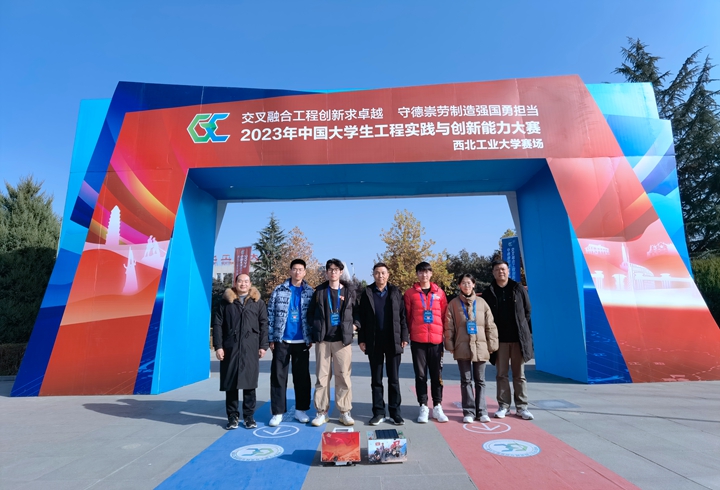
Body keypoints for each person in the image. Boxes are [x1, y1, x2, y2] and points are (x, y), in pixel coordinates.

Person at [212, 274, 269, 430]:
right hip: (230, 347)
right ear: (235, 283)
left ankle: (249, 417)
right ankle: (232, 417)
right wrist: (218, 346)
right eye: (240, 281)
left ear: (250, 284)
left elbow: (264, 324)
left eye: (246, 281)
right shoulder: (226, 302)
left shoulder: (258, 302)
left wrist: (263, 346)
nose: (243, 284)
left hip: (250, 347)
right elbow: (217, 324)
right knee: (230, 384)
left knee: (249, 384)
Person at [356, 263, 409, 425]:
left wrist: (404, 336)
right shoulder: (367, 293)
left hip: (393, 340)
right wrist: (361, 339)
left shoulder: (395, 292)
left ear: (388, 274)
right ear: (373, 275)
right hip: (374, 341)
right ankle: (378, 412)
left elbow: (403, 316)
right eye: (377, 273)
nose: (380, 276)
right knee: (376, 379)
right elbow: (361, 317)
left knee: (394, 379)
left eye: (383, 273)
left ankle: (395, 412)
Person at [482, 260, 535, 420]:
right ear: (493, 272)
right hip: (500, 341)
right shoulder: (489, 292)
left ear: (508, 271)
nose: (501, 272)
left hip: (518, 339)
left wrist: (524, 331)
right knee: (501, 375)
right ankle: (503, 406)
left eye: (503, 269)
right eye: (497, 269)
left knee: (519, 375)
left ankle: (521, 407)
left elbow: (527, 311)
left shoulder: (518, 289)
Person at [307, 258, 357, 426]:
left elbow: (357, 312)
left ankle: (344, 411)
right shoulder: (320, 291)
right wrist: (315, 328)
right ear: (326, 272)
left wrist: (355, 326)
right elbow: (310, 313)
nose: (333, 272)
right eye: (330, 269)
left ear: (341, 272)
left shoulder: (349, 291)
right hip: (323, 340)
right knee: (322, 377)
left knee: (343, 376)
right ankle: (322, 412)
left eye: (336, 270)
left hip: (342, 340)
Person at [444, 274, 499, 423]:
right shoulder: (453, 304)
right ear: (459, 286)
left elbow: (490, 325)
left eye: (469, 283)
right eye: (463, 283)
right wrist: (450, 344)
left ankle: (482, 411)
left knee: (480, 380)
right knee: (466, 380)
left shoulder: (482, 303)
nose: (466, 285)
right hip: (462, 346)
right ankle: (468, 411)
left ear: (474, 284)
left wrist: (492, 344)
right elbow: (449, 326)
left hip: (480, 346)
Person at [267, 259, 315, 427]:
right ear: (290, 271)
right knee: (278, 377)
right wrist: (271, 337)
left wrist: (311, 337)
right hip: (282, 340)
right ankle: (278, 412)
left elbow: (313, 315)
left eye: (300, 269)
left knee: (302, 377)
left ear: (305, 272)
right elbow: (270, 314)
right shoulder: (279, 290)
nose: (297, 272)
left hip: (302, 341)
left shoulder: (310, 292)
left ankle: (301, 410)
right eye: (294, 269)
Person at [404, 261, 449, 423]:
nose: (424, 275)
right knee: (421, 375)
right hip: (418, 341)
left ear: (431, 274)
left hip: (436, 341)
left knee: (437, 375)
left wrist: (446, 336)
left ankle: (437, 406)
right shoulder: (410, 294)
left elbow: (445, 316)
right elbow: (407, 316)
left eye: (427, 272)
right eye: (421, 272)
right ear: (417, 274)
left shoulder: (440, 293)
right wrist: (407, 335)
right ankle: (423, 406)